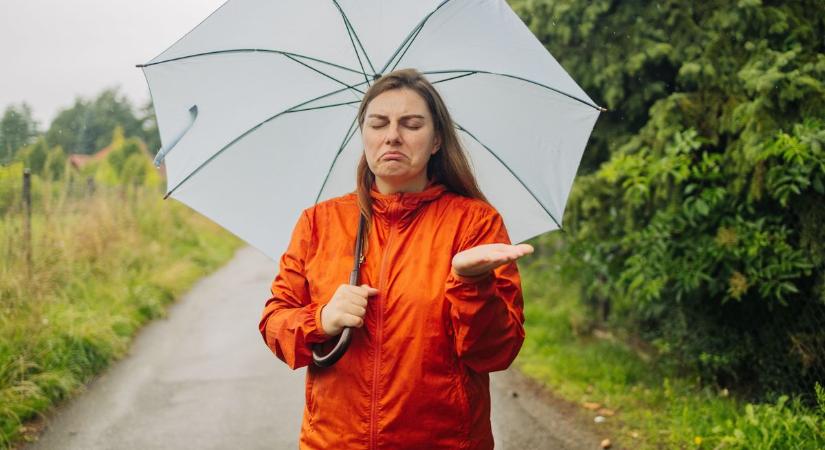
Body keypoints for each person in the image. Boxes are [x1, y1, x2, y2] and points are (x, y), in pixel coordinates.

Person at [259, 68, 533, 449]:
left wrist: (473, 285)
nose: (392, 136)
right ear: (364, 135)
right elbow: (274, 322)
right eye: (378, 123)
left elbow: (496, 352)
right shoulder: (318, 222)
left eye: (412, 123)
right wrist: (321, 319)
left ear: (437, 139)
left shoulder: (475, 223)